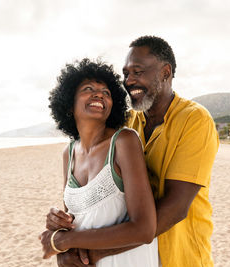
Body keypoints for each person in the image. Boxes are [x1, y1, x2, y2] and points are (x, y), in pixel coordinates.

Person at [47, 36, 219, 267]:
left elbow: (176, 207)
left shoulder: (194, 119)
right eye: (126, 74)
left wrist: (94, 253)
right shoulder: (126, 123)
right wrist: (61, 226)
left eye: (138, 72)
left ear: (165, 72)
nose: (129, 81)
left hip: (180, 255)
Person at [40, 58, 159, 266]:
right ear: (69, 104)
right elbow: (77, 220)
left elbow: (145, 229)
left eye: (106, 92)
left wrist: (64, 240)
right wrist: (57, 224)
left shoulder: (124, 141)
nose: (99, 94)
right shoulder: (68, 154)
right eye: (88, 89)